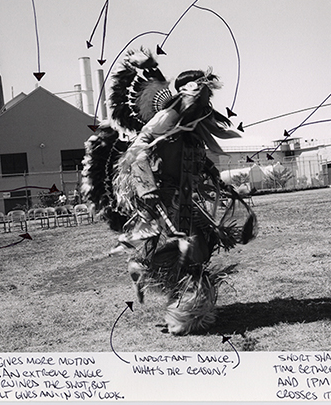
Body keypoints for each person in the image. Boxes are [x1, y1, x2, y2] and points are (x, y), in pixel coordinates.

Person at [82, 48, 256, 335]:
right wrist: (146, 186)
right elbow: (139, 150)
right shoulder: (168, 118)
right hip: (163, 197)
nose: (205, 99)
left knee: (196, 250)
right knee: (177, 250)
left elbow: (197, 160)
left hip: (184, 198)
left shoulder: (194, 127)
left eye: (206, 94)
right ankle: (185, 313)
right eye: (200, 93)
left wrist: (217, 180)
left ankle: (188, 311)